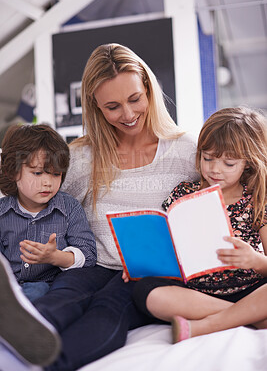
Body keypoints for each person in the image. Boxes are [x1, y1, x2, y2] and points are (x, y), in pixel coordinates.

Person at [0, 43, 199, 370]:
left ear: (148, 88)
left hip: (149, 275)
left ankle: (49, 365)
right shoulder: (81, 157)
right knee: (62, 298)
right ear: (95, 106)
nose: (129, 114)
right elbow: (37, 193)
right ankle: (12, 348)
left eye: (135, 99)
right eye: (113, 106)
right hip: (93, 264)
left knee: (108, 309)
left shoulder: (186, 151)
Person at [133, 106, 267, 343]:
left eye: (229, 163)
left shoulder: (257, 199)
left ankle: (207, 326)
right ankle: (249, 318)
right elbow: (162, 246)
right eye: (208, 158)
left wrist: (255, 260)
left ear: (247, 163)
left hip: (251, 289)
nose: (215, 169)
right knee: (147, 292)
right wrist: (142, 263)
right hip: (197, 296)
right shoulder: (183, 193)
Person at [0, 124, 97, 302]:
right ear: (11, 171)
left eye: (55, 174)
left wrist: (56, 257)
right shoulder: (2, 213)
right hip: (9, 289)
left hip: (52, 289)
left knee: (38, 290)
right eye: (37, 173)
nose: (47, 182)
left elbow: (88, 254)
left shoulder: (70, 208)